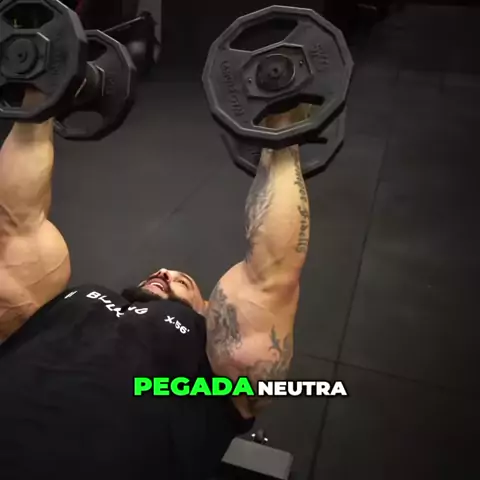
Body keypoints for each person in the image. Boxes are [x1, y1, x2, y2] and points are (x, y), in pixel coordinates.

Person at [0, 90, 310, 479]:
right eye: (165, 273)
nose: (165, 272)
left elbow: (272, 274)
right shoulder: (68, 305)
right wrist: (40, 97)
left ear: (208, 312)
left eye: (184, 282)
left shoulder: (211, 368)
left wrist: (282, 130)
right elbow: (15, 226)